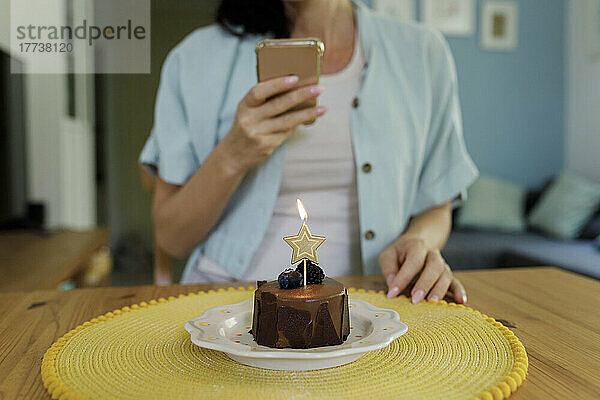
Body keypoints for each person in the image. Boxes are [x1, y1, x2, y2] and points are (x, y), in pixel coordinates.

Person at [140, 0, 478, 304]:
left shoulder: (423, 53)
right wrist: (232, 154)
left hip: (373, 311)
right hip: (224, 307)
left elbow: (437, 207)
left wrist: (419, 240)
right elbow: (172, 238)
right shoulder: (193, 59)